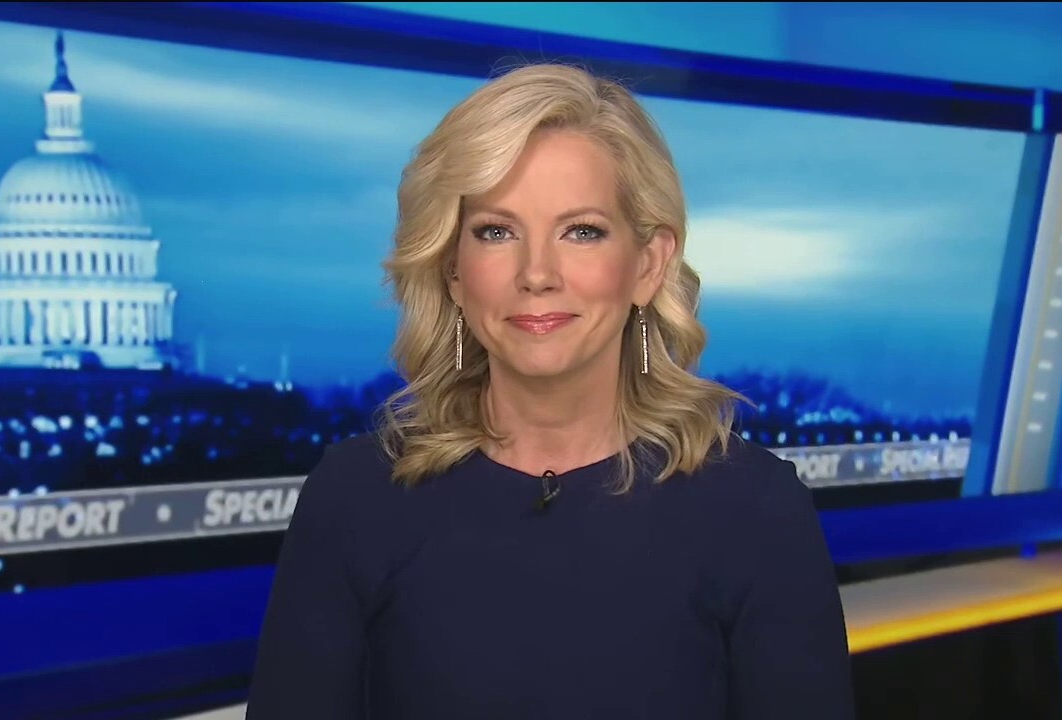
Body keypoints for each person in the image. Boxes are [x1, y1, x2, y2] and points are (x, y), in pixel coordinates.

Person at [245, 62, 856, 719]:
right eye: (496, 231)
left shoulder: (757, 512)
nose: (536, 273)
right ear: (453, 271)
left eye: (581, 231)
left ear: (648, 263)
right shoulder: (353, 500)